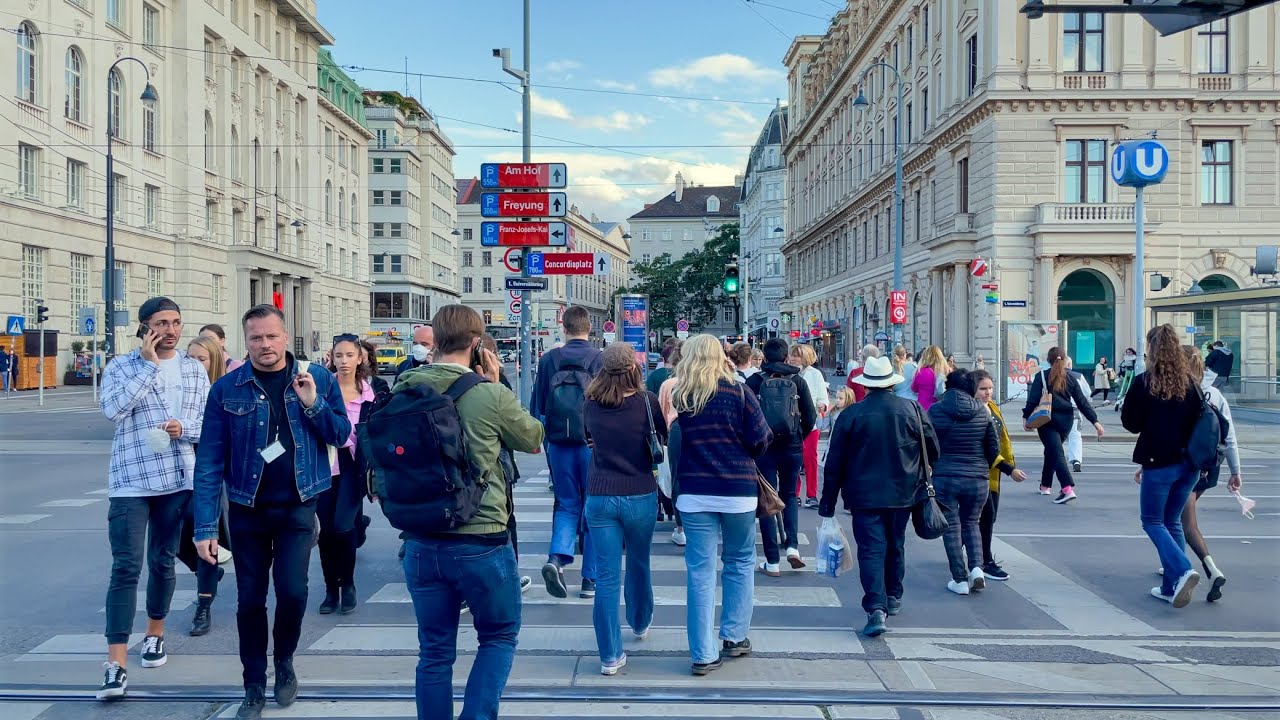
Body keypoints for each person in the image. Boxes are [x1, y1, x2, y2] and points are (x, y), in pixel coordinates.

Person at [193, 305, 351, 718]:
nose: (265, 345)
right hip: (247, 510)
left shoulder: (316, 378)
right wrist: (205, 527)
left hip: (300, 506)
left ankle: (284, 661)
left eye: (271, 336)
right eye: (256, 338)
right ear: (246, 341)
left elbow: (341, 434)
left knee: (294, 593)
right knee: (249, 601)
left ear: (286, 337)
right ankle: (252, 684)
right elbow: (209, 461)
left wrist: (313, 404)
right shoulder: (227, 389)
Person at [388, 304, 544, 719]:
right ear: (477, 344)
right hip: (481, 538)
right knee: (498, 636)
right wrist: (496, 384)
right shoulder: (487, 394)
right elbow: (532, 439)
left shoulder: (402, 389)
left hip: (420, 539)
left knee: (435, 651)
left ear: (434, 343)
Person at [95, 298, 210, 701]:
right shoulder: (121, 367)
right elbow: (112, 410)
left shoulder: (194, 369)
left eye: (176, 322)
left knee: (163, 561)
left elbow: (207, 423)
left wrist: (185, 427)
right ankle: (115, 662)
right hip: (131, 480)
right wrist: (147, 365)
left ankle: (155, 634)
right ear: (144, 328)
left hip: (178, 479)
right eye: (161, 323)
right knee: (126, 567)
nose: (171, 330)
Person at [670, 335, 771, 675]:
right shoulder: (739, 391)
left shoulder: (683, 395)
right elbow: (761, 437)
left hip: (695, 491)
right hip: (738, 490)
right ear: (722, 356)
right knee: (740, 561)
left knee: (700, 572)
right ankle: (735, 636)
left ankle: (702, 654)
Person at [820, 355, 939, 637]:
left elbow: (834, 463)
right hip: (904, 491)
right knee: (895, 542)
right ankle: (894, 595)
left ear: (867, 386)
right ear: (891, 384)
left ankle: (875, 606)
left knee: (872, 548)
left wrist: (828, 503)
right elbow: (933, 449)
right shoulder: (912, 409)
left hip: (863, 494)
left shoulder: (851, 414)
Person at [582, 344, 666, 675]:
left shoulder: (590, 403)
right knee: (639, 563)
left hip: (600, 495)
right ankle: (640, 621)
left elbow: (588, 439)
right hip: (639, 493)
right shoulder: (647, 402)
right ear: (634, 368)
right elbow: (662, 436)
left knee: (605, 577)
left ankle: (609, 656)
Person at [1120, 325, 1204, 608]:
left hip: (1159, 462)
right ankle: (1171, 587)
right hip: (1190, 465)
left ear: (1151, 349)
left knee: (1152, 521)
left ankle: (1182, 570)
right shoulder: (1191, 384)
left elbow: (1131, 424)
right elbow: (1202, 423)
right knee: (1172, 521)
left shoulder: (1145, 382)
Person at [531, 306, 604, 600]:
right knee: (594, 507)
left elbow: (538, 405)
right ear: (590, 328)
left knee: (566, 504)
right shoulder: (599, 359)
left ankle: (557, 558)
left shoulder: (549, 359)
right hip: (591, 444)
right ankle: (590, 579)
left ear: (564, 327)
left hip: (558, 443)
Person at [315, 334, 377, 615]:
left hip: (353, 466)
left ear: (360, 358)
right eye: (339, 356)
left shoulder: (369, 393)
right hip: (324, 465)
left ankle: (348, 584)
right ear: (332, 357)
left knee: (343, 526)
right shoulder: (322, 389)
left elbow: (373, 435)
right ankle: (331, 589)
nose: (344, 362)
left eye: (349, 355)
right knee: (326, 531)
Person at [746, 339, 817, 575]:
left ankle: (772, 561)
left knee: (767, 501)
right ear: (787, 358)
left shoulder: (754, 382)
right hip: (791, 447)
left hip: (764, 448)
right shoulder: (797, 381)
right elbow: (810, 416)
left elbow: (745, 418)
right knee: (789, 495)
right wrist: (798, 436)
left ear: (764, 358)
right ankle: (792, 547)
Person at [176, 337, 230, 636]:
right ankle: (206, 571)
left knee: (205, 534)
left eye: (201, 359)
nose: (194, 364)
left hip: (212, 475)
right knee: (172, 537)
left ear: (215, 361)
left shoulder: (224, 391)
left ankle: (203, 606)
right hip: (179, 472)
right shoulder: (180, 391)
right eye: (190, 358)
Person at [928, 371, 1000, 596]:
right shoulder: (982, 411)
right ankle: (977, 568)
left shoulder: (935, 410)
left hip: (945, 476)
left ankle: (959, 579)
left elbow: (926, 443)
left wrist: (933, 465)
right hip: (977, 478)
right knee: (972, 522)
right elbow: (993, 448)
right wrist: (981, 468)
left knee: (950, 527)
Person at [1180, 345, 1243, 602]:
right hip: (1210, 464)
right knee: (1177, 514)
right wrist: (1235, 471)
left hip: (1185, 464)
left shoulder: (1182, 392)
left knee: (1186, 523)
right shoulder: (1215, 394)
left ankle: (1210, 569)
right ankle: (1175, 560)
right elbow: (1229, 437)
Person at [1022, 347, 1103, 504]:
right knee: (1052, 450)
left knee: (1056, 452)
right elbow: (1082, 402)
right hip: (1067, 421)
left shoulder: (1042, 376)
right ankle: (1045, 486)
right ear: (1065, 359)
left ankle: (1067, 489)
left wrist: (1026, 417)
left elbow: (1032, 400)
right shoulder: (1071, 378)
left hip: (1047, 420)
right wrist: (1095, 422)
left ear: (1048, 360)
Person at [970, 369, 1027, 581]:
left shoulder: (991, 407)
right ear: (972, 390)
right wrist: (1010, 470)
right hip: (978, 473)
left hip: (993, 473)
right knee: (985, 517)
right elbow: (987, 449)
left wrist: (1010, 463)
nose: (988, 392)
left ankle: (974, 555)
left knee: (988, 517)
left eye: (990, 388)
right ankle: (984, 561)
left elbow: (1002, 439)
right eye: (983, 389)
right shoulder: (975, 411)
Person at [788, 344, 828, 509]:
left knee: (810, 460)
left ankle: (812, 495)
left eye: (797, 355)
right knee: (794, 461)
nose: (794, 358)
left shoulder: (815, 374)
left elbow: (822, 396)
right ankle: (794, 494)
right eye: (793, 355)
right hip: (791, 424)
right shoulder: (788, 373)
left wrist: (822, 406)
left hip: (810, 424)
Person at [657, 342, 686, 546]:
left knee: (677, 478)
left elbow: (661, 413)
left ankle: (681, 528)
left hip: (675, 431)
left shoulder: (669, 384)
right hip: (701, 432)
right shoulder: (703, 380)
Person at [1064, 357, 1091, 474]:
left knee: (1055, 438)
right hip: (1074, 411)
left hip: (1055, 412)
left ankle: (1054, 460)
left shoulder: (1052, 375)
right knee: (1075, 436)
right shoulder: (1078, 376)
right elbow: (1087, 393)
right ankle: (1076, 461)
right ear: (1070, 365)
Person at [913, 346, 948, 411]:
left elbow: (914, 388)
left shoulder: (920, 372)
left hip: (923, 407)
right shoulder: (945, 371)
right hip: (940, 407)